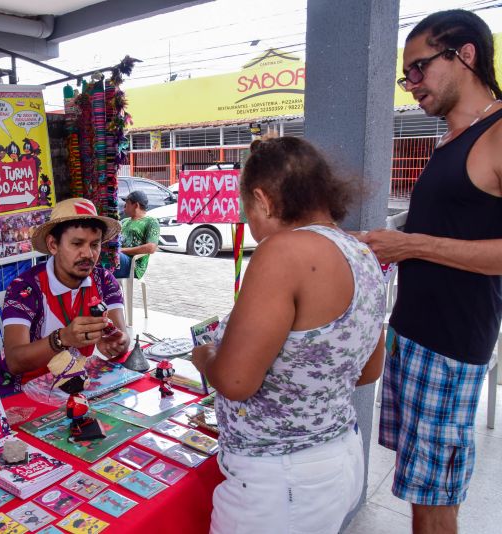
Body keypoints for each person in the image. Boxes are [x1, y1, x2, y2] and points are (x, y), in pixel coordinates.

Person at [191, 137, 385, 534]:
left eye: (248, 211)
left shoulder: (281, 252)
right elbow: (367, 371)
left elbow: (235, 381)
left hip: (280, 481)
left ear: (262, 200)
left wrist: (205, 355)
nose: (250, 224)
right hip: (337, 456)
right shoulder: (362, 252)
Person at [358, 10, 502, 534]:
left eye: (418, 69)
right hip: (414, 333)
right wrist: (382, 243)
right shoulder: (450, 139)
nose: (411, 85)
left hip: (451, 343)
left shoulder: (498, 132)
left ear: (464, 54)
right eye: (406, 75)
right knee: (419, 485)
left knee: (434, 500)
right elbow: (451, 223)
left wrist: (412, 244)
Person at [0, 198, 130, 396]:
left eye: (95, 245)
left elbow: (122, 337)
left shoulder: (104, 280)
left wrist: (117, 342)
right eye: (77, 244)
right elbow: (14, 361)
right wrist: (63, 338)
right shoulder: (26, 288)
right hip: (25, 391)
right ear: (53, 245)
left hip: (78, 385)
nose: (88, 254)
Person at [112, 190, 160, 279]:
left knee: (109, 257)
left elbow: (151, 248)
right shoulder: (124, 221)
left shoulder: (151, 222)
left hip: (133, 265)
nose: (124, 206)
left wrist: (121, 250)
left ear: (136, 205)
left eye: (127, 203)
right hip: (119, 259)